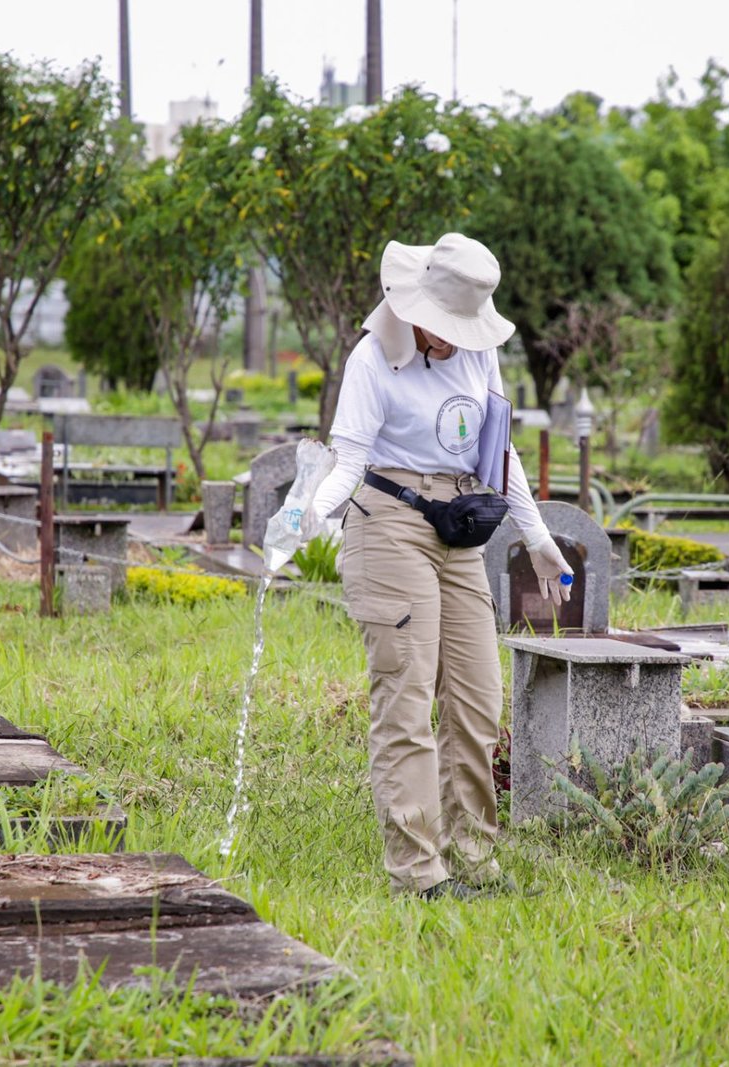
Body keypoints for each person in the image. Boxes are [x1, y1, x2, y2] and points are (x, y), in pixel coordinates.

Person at [307, 233, 573, 900]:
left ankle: (475, 857)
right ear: (416, 307)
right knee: (406, 693)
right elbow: (348, 461)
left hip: (459, 525)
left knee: (479, 700)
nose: (453, 340)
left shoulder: (480, 353)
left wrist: (535, 536)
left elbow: (497, 450)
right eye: (444, 327)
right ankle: (419, 871)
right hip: (387, 522)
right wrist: (309, 513)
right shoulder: (373, 357)